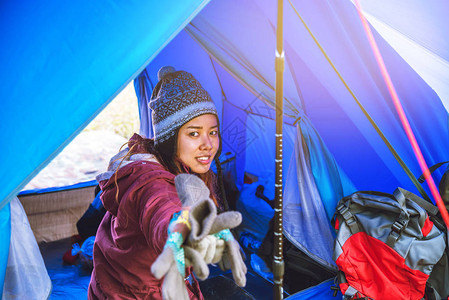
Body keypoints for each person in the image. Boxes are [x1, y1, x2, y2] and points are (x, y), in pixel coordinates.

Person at [88, 66, 229, 299]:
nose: (208, 144)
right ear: (170, 137)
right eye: (194, 133)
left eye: (212, 132)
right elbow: (162, 212)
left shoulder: (180, 169)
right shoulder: (152, 184)